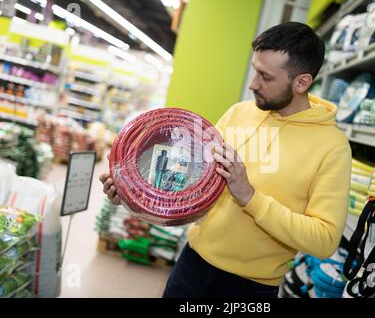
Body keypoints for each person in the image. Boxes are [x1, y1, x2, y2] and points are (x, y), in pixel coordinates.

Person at [99, 22, 352, 298]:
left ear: (302, 82)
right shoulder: (239, 113)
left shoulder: (332, 147)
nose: (253, 84)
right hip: (191, 265)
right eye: (255, 70)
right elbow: (192, 186)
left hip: (250, 288)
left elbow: (325, 240)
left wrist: (251, 197)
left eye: (266, 77)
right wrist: (131, 193)